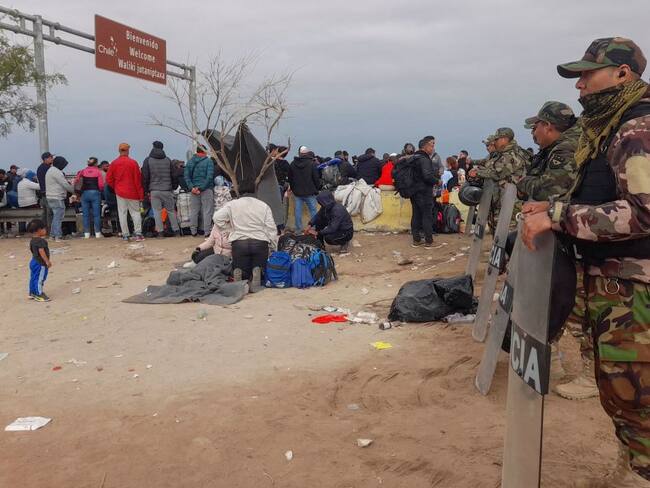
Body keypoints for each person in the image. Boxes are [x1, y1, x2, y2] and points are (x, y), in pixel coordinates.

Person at [522, 37, 650, 486]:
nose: (579, 86)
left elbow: (643, 212)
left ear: (622, 73)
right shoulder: (611, 129)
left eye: (586, 74)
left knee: (636, 395)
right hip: (616, 283)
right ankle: (630, 468)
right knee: (622, 392)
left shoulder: (639, 129)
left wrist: (558, 215)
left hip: (636, 289)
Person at [213, 179, 278, 292]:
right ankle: (257, 271)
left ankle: (240, 273)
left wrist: (229, 229)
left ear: (239, 190)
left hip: (239, 244)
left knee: (242, 266)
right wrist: (273, 245)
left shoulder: (232, 204)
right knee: (259, 264)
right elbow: (271, 228)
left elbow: (217, 217)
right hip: (259, 242)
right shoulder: (263, 205)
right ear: (254, 190)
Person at [469, 127, 530, 230]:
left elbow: (498, 173)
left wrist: (478, 173)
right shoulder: (502, 154)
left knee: (507, 233)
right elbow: (489, 165)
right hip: (500, 199)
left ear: (504, 139)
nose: (494, 142)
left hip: (510, 202)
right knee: (497, 233)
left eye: (496, 140)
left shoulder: (512, 155)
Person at [141, 141, 180, 238]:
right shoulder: (168, 160)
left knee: (157, 211)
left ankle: (160, 232)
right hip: (167, 189)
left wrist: (146, 190)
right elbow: (174, 175)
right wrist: (174, 186)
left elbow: (145, 176)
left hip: (154, 190)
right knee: (171, 210)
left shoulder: (148, 160)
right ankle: (176, 231)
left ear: (153, 147)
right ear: (162, 148)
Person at [107, 143, 144, 242]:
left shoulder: (114, 163)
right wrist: (140, 194)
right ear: (128, 151)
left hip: (120, 192)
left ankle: (125, 235)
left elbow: (108, 179)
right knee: (135, 213)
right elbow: (138, 180)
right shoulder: (133, 163)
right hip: (133, 191)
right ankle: (138, 234)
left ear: (119, 151)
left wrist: (116, 187)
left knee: (122, 213)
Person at [409, 136, 440, 248]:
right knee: (427, 215)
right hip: (424, 191)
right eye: (432, 145)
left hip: (414, 191)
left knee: (416, 215)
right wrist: (437, 181)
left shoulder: (413, 158)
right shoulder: (424, 159)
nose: (433, 147)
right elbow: (427, 176)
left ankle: (416, 240)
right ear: (426, 146)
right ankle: (429, 241)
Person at [184, 145, 215, 237]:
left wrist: (192, 188)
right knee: (207, 211)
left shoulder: (190, 162)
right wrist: (201, 188)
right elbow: (209, 176)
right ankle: (207, 232)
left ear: (196, 152)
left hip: (193, 190)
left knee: (194, 211)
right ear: (205, 151)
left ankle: (193, 232)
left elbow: (187, 176)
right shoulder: (209, 161)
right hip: (206, 189)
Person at [288, 146, 321, 232]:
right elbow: (316, 178)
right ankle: (313, 229)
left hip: (297, 192)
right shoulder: (311, 164)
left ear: (299, 153)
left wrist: (293, 188)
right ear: (307, 153)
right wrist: (317, 188)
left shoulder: (292, 164)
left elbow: (290, 178)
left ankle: (298, 229)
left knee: (298, 211)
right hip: (310, 192)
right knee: (313, 211)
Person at [73, 157, 105, 238]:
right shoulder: (98, 172)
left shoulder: (82, 171)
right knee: (96, 214)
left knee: (86, 215)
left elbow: (76, 181)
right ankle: (97, 233)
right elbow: (101, 185)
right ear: (96, 163)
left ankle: (86, 234)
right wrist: (99, 190)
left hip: (84, 194)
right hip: (95, 193)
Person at [45, 156, 73, 242]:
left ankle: (52, 236)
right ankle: (57, 236)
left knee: (55, 217)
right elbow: (64, 184)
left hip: (50, 196)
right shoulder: (57, 172)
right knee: (58, 217)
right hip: (57, 197)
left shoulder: (50, 170)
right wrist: (74, 190)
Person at [27, 219, 51, 302]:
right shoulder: (41, 241)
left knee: (33, 277)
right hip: (40, 263)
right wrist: (47, 261)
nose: (45, 230)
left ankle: (32, 292)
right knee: (40, 278)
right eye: (44, 229)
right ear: (39, 230)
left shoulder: (32, 240)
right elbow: (41, 251)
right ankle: (39, 294)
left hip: (33, 261)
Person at [37, 152, 54, 230]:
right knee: (49, 213)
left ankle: (42, 229)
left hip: (43, 193)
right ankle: (50, 230)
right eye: (51, 157)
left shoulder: (40, 167)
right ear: (46, 159)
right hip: (48, 193)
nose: (52, 159)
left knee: (45, 213)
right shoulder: (47, 168)